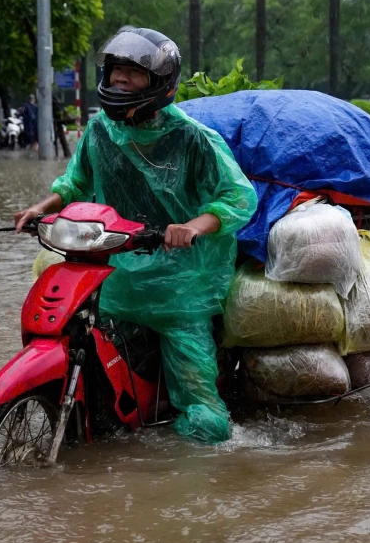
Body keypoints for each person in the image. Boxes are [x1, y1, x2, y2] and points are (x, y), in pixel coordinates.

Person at [13, 28, 257, 443]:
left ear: (160, 84)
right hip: (117, 270)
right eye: (115, 71)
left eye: (133, 72)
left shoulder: (192, 138)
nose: (120, 80)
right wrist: (40, 209)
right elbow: (74, 183)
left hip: (180, 284)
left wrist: (193, 228)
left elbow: (237, 196)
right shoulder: (100, 131)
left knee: (206, 422)